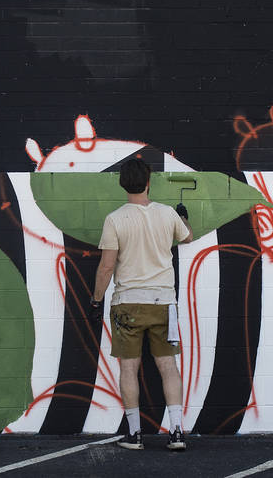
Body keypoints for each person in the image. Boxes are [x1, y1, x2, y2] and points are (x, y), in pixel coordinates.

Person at [88, 157, 193, 451]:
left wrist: (97, 301)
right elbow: (188, 237)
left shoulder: (115, 219)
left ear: (124, 184)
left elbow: (106, 267)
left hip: (127, 304)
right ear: (149, 182)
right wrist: (183, 218)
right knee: (168, 366)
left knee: (129, 369)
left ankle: (134, 434)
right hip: (164, 303)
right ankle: (176, 433)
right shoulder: (167, 213)